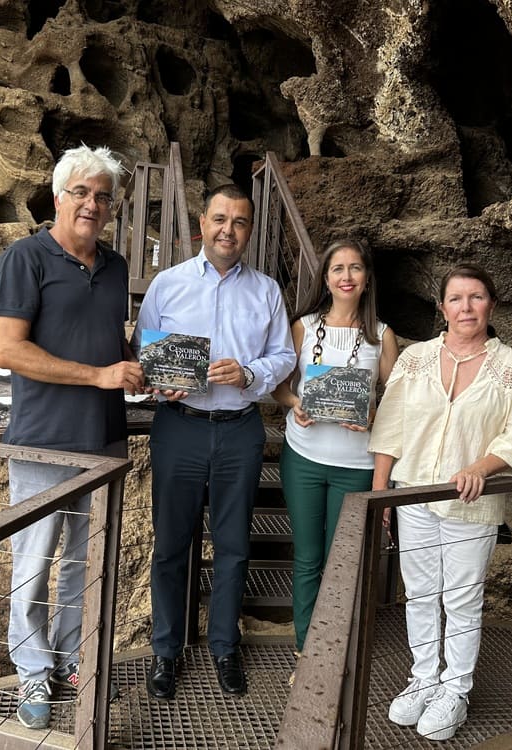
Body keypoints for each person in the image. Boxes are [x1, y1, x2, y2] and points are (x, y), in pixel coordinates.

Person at [0, 145, 143, 730]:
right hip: (43, 438)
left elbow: (108, 341)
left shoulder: (117, 265)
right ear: (58, 196)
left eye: (102, 196)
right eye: (81, 192)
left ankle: (72, 660)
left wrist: (140, 366)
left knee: (87, 560)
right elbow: (8, 349)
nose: (92, 204)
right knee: (33, 562)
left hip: (104, 437)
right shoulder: (24, 258)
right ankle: (32, 669)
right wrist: (99, 375)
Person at [368, 263, 512, 741]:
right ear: (442, 308)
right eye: (456, 299)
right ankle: (423, 677)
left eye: (476, 297)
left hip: (472, 501)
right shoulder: (416, 359)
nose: (466, 307)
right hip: (413, 494)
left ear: (491, 304)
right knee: (421, 592)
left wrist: (480, 468)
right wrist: (384, 491)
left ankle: (455, 688)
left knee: (462, 597)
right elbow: (391, 427)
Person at [132, 184, 296, 700]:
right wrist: (161, 379)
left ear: (249, 230)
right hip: (179, 424)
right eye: (220, 219)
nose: (228, 230)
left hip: (239, 429)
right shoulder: (168, 284)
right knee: (171, 545)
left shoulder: (266, 290)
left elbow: (284, 356)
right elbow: (145, 348)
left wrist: (247, 372)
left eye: (240, 221)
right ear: (201, 224)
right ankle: (167, 649)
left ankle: (225, 646)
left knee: (233, 545)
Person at [271, 238, 398, 682]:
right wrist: (294, 403)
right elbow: (279, 385)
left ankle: (336, 646)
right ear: (325, 279)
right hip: (304, 457)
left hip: (357, 465)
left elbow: (396, 406)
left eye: (355, 268)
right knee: (307, 558)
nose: (346, 276)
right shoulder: (302, 326)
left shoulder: (382, 336)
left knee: (342, 561)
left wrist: (372, 415)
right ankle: (307, 651)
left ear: (366, 280)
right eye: (338, 269)